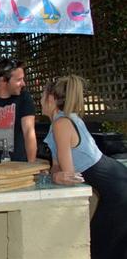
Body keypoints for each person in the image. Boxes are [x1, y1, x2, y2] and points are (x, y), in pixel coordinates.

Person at [41, 75, 127, 259]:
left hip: (119, 190)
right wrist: (54, 175)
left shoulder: (62, 124)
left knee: (99, 247)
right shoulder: (58, 123)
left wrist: (54, 177)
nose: (40, 101)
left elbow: (68, 175)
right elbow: (57, 167)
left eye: (42, 96)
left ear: (50, 99)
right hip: (116, 183)